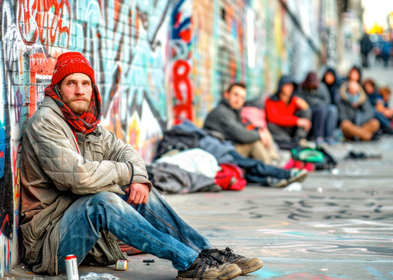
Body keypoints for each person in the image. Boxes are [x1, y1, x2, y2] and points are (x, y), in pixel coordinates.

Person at [20, 52, 263, 279]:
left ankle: (206, 253)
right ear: (58, 89)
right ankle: (188, 262)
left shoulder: (85, 123)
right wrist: (127, 172)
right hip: (50, 244)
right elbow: (77, 177)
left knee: (139, 190)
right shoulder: (45, 124)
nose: (79, 90)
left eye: (85, 83)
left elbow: (125, 151)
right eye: (71, 83)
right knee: (103, 202)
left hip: (84, 236)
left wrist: (137, 177)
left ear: (92, 89)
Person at [203, 82, 282, 165]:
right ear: (227, 94)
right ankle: (271, 167)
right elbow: (241, 135)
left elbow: (242, 127)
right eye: (235, 95)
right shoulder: (222, 112)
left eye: (242, 97)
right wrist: (259, 135)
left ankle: (275, 161)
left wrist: (259, 130)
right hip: (221, 152)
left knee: (263, 131)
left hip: (228, 147)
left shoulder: (232, 111)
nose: (238, 100)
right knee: (255, 142)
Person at [265, 76, 312, 144]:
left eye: (291, 86)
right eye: (287, 85)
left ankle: (300, 139)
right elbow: (273, 118)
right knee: (270, 125)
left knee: (306, 112)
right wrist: (297, 121)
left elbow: (306, 111)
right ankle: (288, 140)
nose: (290, 88)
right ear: (281, 86)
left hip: (290, 128)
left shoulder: (294, 100)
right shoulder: (271, 100)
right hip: (279, 129)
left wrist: (305, 105)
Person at [296, 72, 338, 145]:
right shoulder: (301, 88)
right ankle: (318, 136)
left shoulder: (322, 86)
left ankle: (329, 136)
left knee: (332, 109)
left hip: (322, 107)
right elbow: (300, 101)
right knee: (321, 110)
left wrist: (317, 103)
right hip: (311, 110)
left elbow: (327, 100)